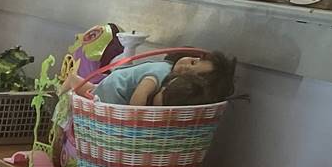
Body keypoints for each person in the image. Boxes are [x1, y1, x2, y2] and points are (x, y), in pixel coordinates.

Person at [96, 50, 235, 107]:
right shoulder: (162, 71)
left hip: (112, 84)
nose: (185, 67)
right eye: (193, 62)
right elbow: (141, 92)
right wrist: (136, 119)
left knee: (90, 92)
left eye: (191, 74)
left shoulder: (170, 79)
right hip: (115, 90)